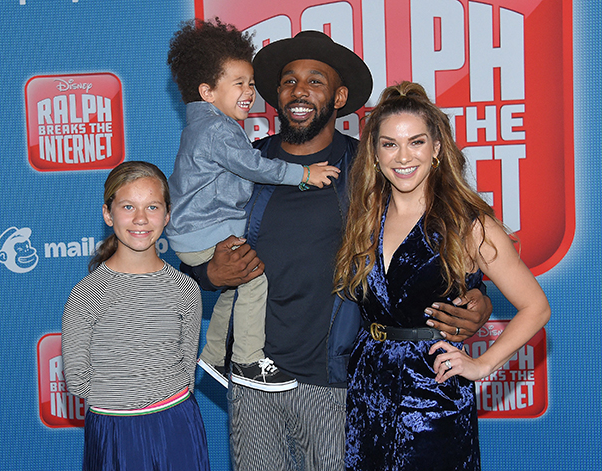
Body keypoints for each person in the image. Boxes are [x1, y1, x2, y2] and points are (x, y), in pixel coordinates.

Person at [186, 31, 492, 470]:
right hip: (253, 377)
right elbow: (191, 248)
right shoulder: (240, 165)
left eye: (315, 80)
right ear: (275, 95)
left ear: (339, 96)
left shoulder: (371, 170)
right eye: (289, 81)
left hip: (338, 380)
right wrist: (210, 275)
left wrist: (476, 294)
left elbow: (428, 236)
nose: (299, 90)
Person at [334, 82, 551, 470]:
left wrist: (482, 366)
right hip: (368, 384)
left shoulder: (469, 225)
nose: (403, 156)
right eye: (389, 144)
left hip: (432, 389)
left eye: (416, 142)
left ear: (436, 149)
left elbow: (536, 307)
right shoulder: (364, 218)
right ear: (374, 152)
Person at [166, 19, 339, 392]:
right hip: (206, 235)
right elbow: (255, 168)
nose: (249, 92)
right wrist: (304, 174)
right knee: (252, 280)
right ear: (207, 91)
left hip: (332, 371)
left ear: (339, 97)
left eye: (250, 83)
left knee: (240, 287)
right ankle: (246, 361)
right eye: (288, 81)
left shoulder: (365, 165)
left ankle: (214, 357)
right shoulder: (228, 136)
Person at [61, 161, 210, 471]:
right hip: (114, 431)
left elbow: (186, 366)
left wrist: (163, 404)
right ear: (107, 213)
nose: (141, 219)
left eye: (152, 207)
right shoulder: (88, 294)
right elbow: (77, 379)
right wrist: (123, 405)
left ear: (167, 215)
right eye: (128, 206)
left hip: (178, 426)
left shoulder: (185, 289)